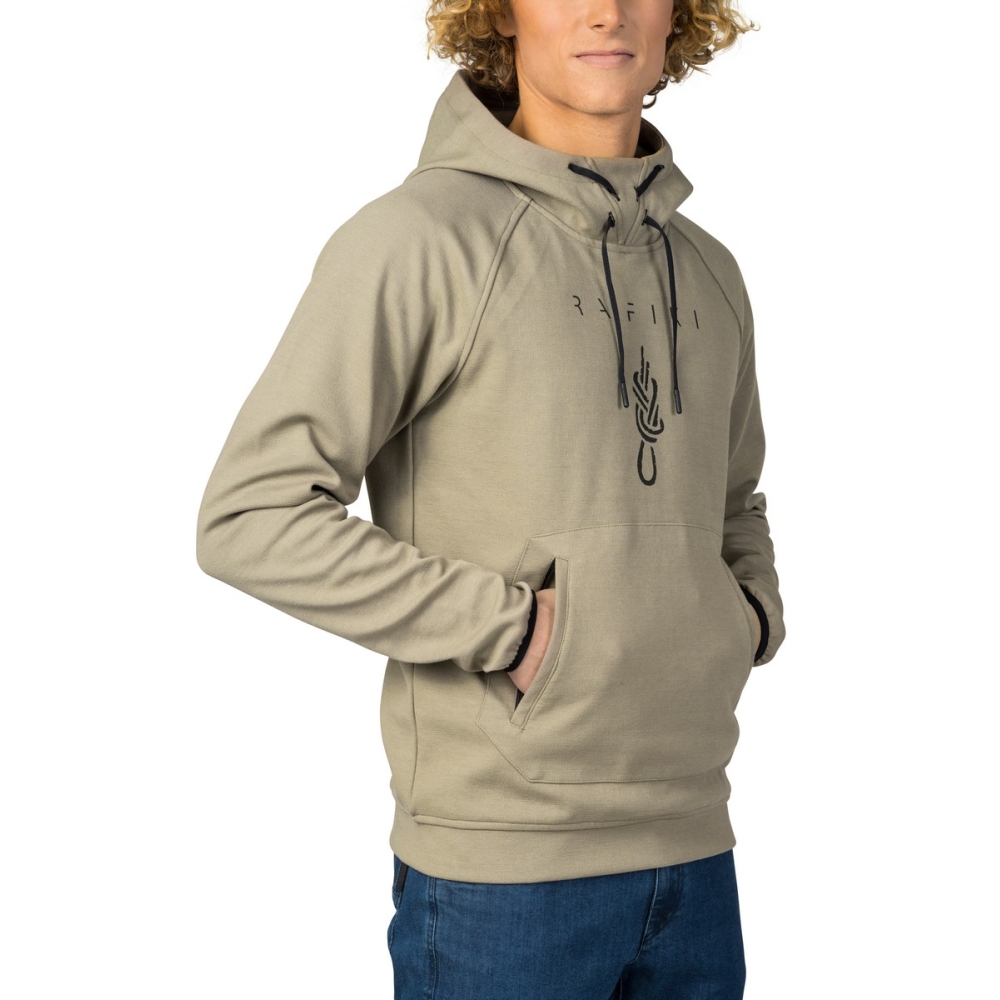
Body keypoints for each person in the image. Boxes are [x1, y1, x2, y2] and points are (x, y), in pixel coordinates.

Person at [196, 0, 785, 996]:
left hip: (696, 846)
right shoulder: (417, 240)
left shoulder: (708, 270)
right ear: (500, 14)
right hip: (503, 874)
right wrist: (513, 630)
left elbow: (732, 500)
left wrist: (745, 616)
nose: (605, 12)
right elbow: (251, 516)